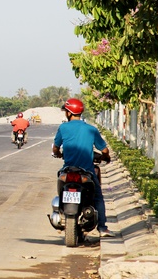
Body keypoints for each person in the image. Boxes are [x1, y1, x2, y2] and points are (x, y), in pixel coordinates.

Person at [52, 98, 115, 237]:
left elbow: (55, 148)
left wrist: (58, 154)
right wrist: (106, 157)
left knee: (60, 189)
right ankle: (103, 228)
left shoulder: (63, 128)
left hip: (68, 170)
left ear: (69, 113)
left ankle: (60, 210)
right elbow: (104, 150)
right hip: (87, 171)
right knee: (98, 197)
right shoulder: (91, 129)